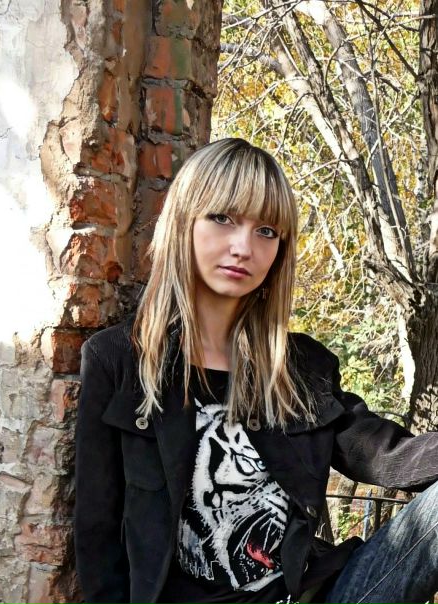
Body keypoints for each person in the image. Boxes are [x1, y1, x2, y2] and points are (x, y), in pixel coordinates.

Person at [74, 138, 438, 604]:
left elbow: (386, 455)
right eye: (223, 218)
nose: (243, 247)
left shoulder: (301, 365)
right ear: (184, 222)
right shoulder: (119, 359)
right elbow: (98, 536)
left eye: (266, 230)